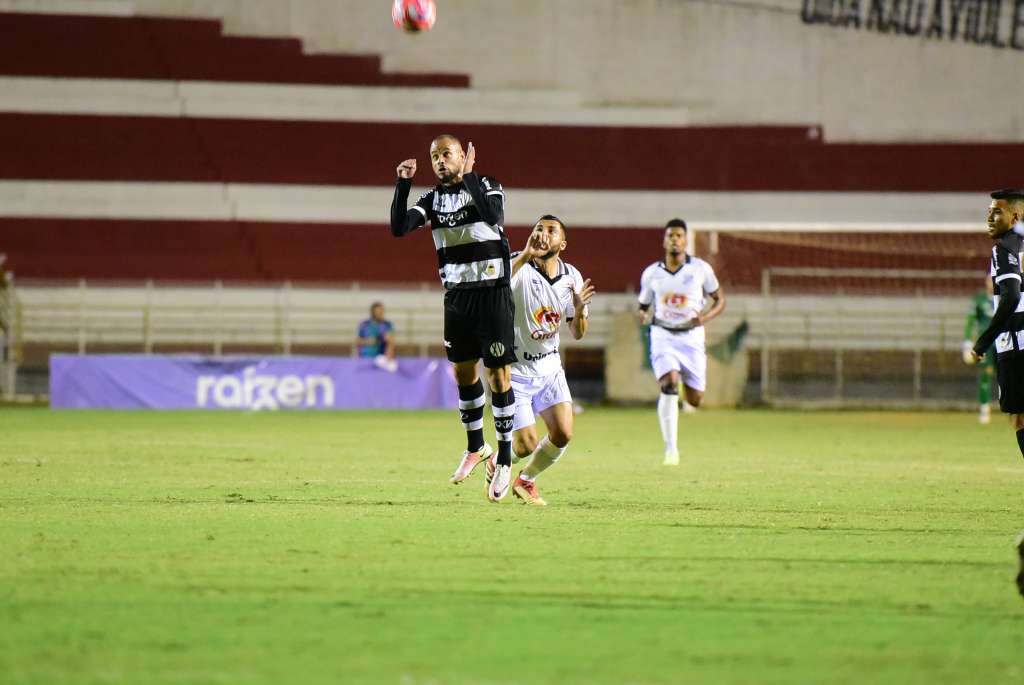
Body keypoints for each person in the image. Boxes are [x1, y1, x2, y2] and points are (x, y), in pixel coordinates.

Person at [390, 134, 518, 501]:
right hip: (458, 296)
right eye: (435, 156)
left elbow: (495, 217)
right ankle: (477, 447)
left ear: (463, 156)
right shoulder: (432, 199)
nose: (440, 160)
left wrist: (472, 176)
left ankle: (505, 459)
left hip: (492, 291)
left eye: (447, 153)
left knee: (497, 374)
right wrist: (403, 184)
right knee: (463, 371)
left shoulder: (487, 184)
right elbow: (399, 228)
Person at [483, 215, 594, 506]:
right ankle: (497, 459)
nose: (543, 234)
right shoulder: (517, 264)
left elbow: (577, 333)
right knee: (526, 444)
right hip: (516, 370)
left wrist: (580, 311)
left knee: (563, 433)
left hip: (550, 367)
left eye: (551, 230)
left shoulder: (572, 277)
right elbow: (495, 284)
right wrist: (525, 255)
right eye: (539, 229)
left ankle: (526, 480)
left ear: (562, 243)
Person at [636, 219, 725, 465]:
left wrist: (703, 318)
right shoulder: (652, 272)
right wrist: (644, 316)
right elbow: (642, 307)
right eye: (670, 235)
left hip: (691, 338)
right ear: (664, 241)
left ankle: (684, 388)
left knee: (695, 399)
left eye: (678, 235)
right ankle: (671, 449)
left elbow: (720, 300)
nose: (674, 239)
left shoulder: (700, 269)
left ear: (686, 240)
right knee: (669, 383)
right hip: (663, 335)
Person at [970, 189, 1024, 460]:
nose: (989, 217)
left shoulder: (1004, 248)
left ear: (1015, 217)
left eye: (997, 212)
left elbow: (1012, 296)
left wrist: (983, 341)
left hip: (1018, 348)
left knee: (1020, 418)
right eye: (989, 212)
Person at [962, 279, 995, 423]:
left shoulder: (1008, 297)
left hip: (1005, 343)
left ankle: (1011, 408)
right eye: (989, 279)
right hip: (986, 344)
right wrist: (968, 343)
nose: (991, 282)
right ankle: (984, 409)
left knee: (1009, 375)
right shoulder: (979, 300)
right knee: (985, 375)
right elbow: (970, 321)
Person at [356, 302, 398, 372]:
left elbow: (391, 340)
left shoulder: (387, 324)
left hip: (380, 359)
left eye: (381, 311)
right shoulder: (364, 324)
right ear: (372, 312)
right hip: (365, 358)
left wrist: (387, 340)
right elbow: (357, 341)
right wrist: (367, 341)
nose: (380, 313)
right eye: (378, 311)